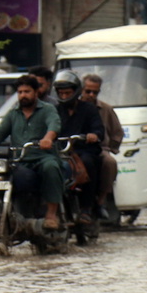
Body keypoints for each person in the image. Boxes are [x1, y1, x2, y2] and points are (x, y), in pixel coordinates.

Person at [0, 75, 63, 230]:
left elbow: (54, 124)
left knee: (51, 168)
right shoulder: (13, 113)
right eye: (20, 92)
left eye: (27, 91)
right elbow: (0, 131)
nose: (23, 95)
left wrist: (48, 138)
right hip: (19, 161)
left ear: (36, 92)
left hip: (42, 157)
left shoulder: (47, 109)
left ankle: (51, 214)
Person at [52, 70, 104, 224]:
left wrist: (93, 135)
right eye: (61, 93)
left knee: (87, 163)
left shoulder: (89, 109)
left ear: (75, 92)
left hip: (83, 151)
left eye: (67, 93)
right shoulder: (54, 110)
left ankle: (86, 208)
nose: (64, 96)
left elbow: (99, 129)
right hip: (60, 151)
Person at [81, 73, 124, 218]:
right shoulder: (73, 106)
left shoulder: (105, 110)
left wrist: (110, 147)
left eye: (95, 92)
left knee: (109, 162)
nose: (91, 95)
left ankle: (100, 201)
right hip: (75, 148)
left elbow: (117, 132)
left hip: (99, 149)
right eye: (88, 91)